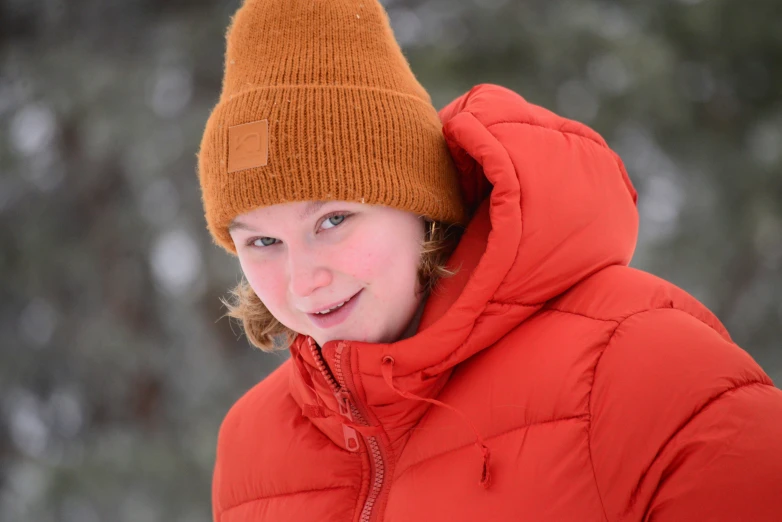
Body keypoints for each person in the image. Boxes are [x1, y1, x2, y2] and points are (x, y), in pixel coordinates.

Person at [197, 1, 782, 520]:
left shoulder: (643, 368)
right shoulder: (253, 447)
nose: (303, 281)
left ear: (420, 204)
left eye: (332, 220)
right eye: (261, 242)